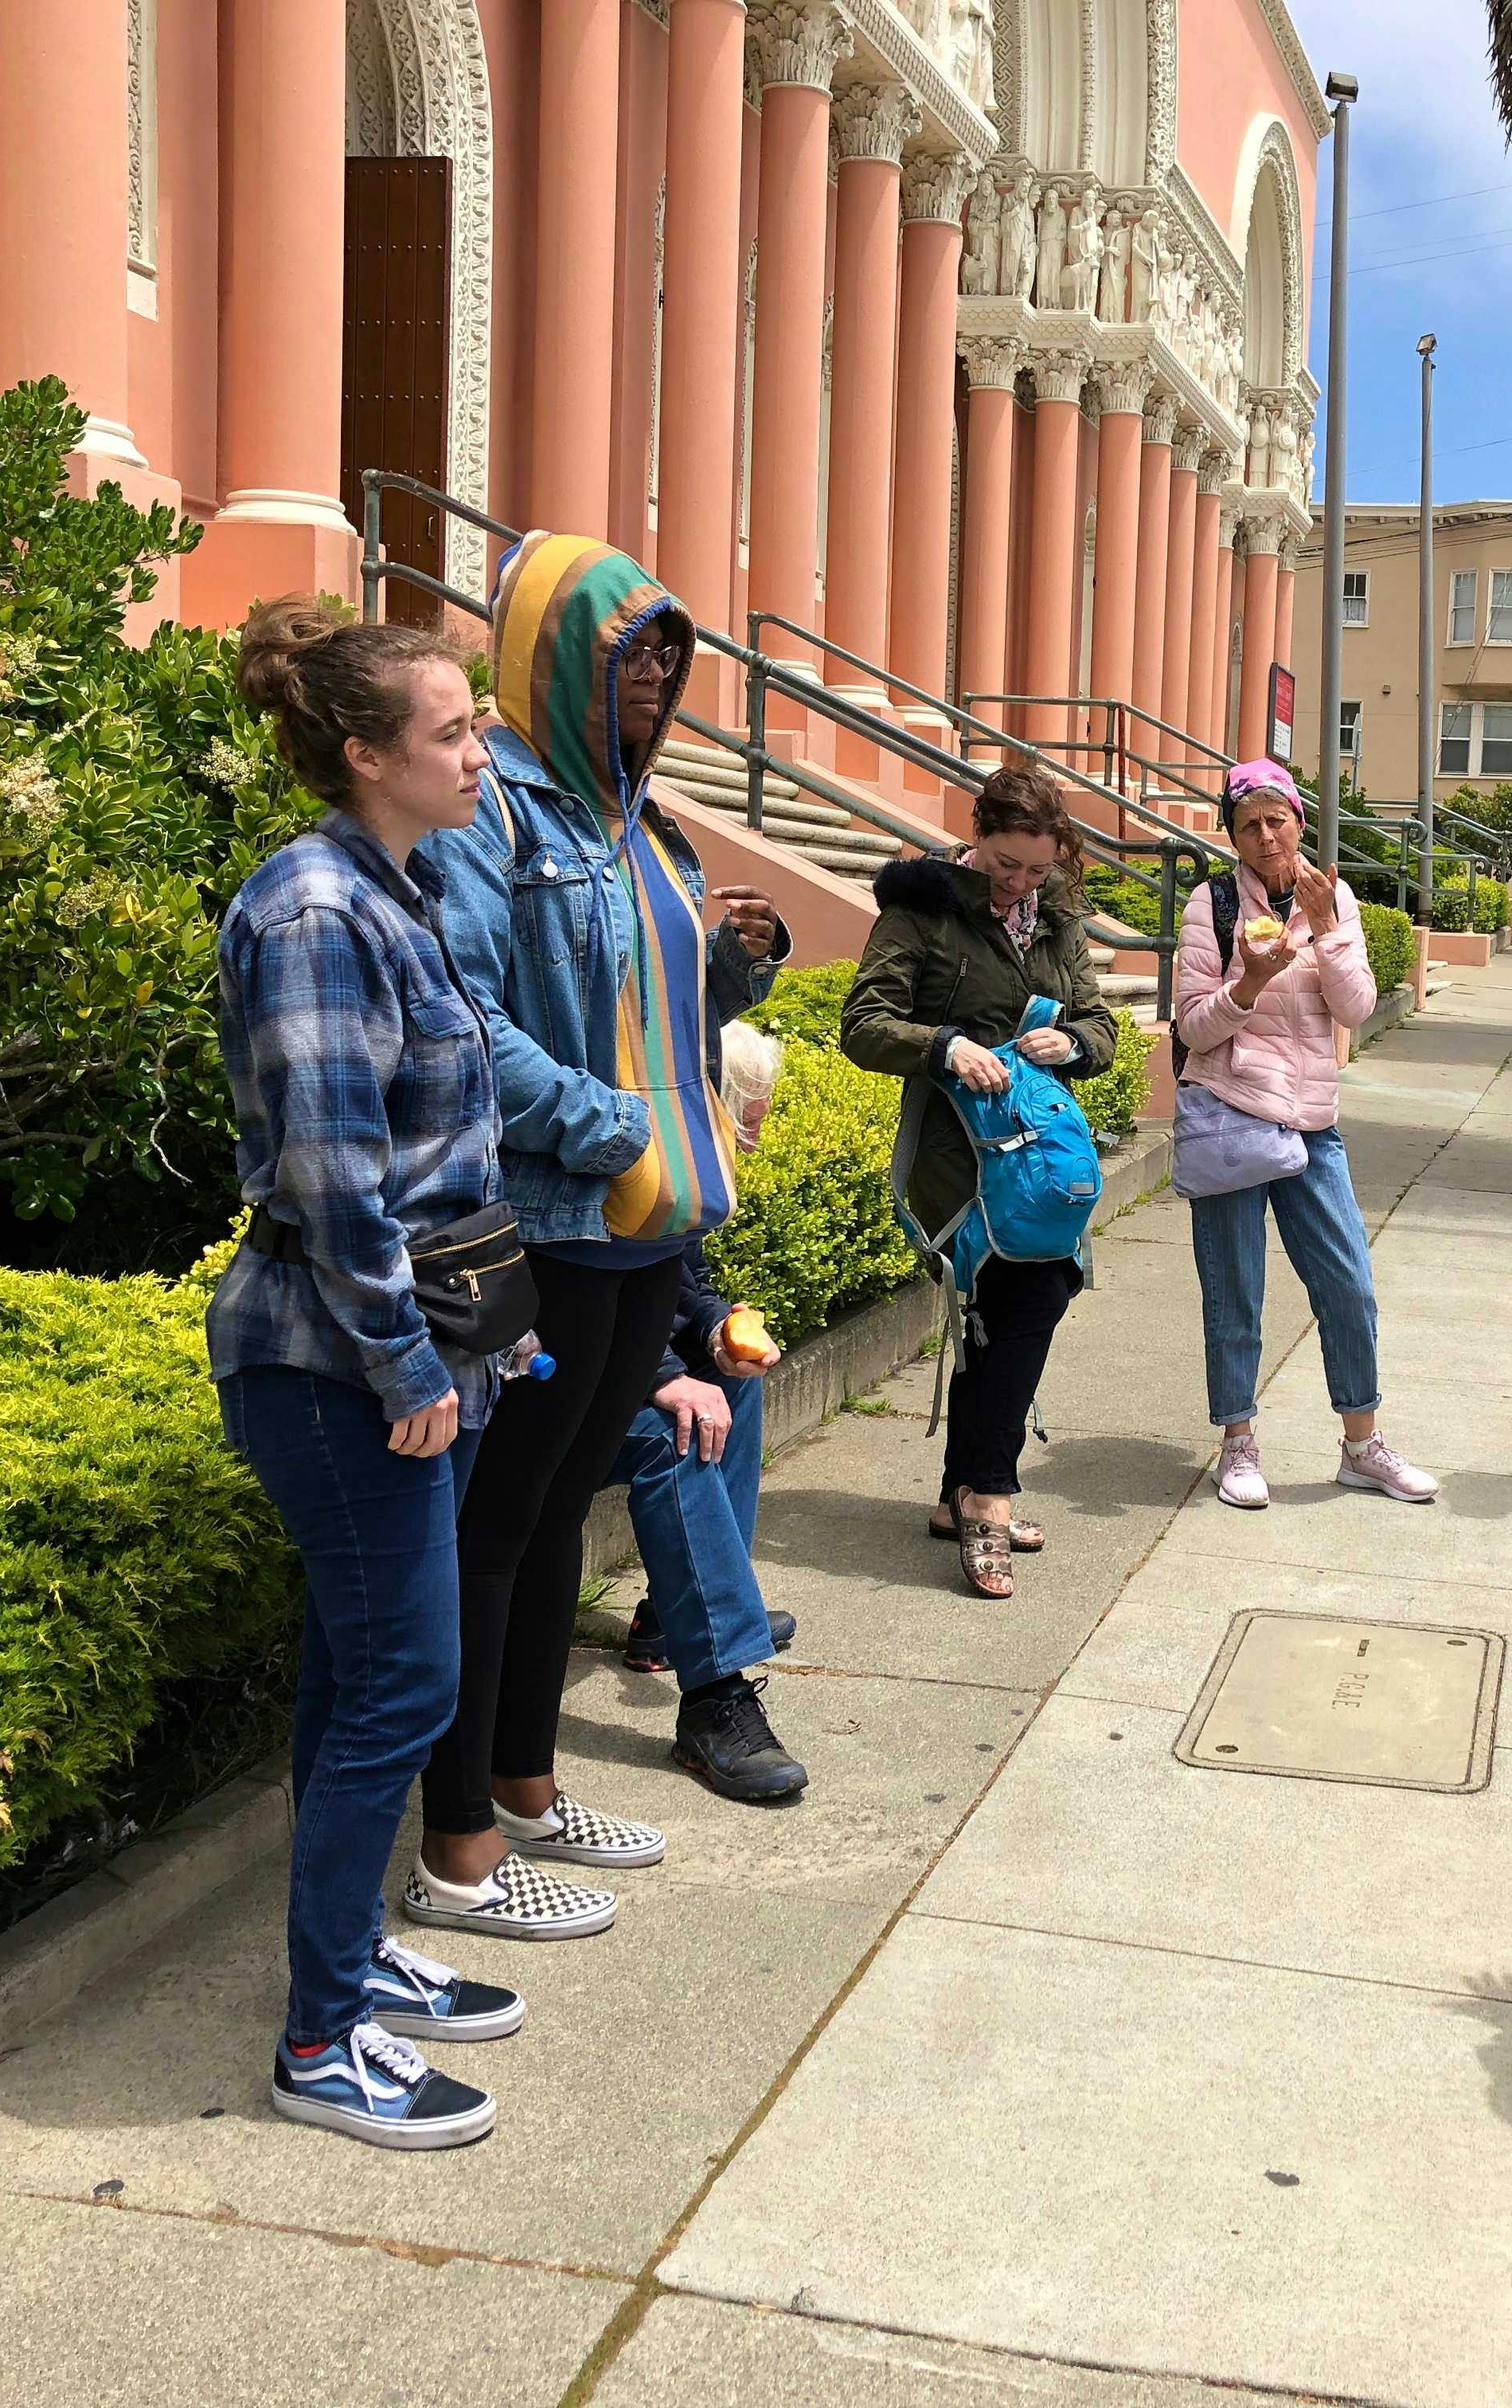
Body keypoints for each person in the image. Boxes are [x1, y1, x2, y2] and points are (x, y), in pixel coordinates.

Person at [412, 534, 787, 1942]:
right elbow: (463, 1021)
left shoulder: (637, 819)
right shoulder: (490, 807)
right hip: (556, 1213)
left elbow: (657, 1011)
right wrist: (612, 1125)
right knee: (492, 1528)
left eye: (673, 656)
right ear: (555, 653)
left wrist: (728, 961)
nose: (661, 680)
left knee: (562, 1512)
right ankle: (454, 1847)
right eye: (636, 653)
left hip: (644, 1236)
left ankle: (524, 1784)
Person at [212, 600, 524, 2152]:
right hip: (336, 1367)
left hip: (415, 1355)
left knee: (360, 1673)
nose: (483, 750)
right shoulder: (315, 915)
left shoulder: (400, 883)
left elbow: (438, 1153)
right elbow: (338, 1180)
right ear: (363, 754)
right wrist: (413, 1361)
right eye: (456, 731)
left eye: (478, 723)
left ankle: (345, 1964)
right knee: (404, 1678)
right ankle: (320, 2040)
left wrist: (485, 1339)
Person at [842, 767, 1120, 1598]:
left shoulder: (1057, 917)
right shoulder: (924, 905)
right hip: (955, 1157)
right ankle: (989, 1495)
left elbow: (1100, 1025)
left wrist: (1070, 1044)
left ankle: (956, 1489)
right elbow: (862, 1023)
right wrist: (942, 1046)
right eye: (1006, 865)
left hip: (1037, 1155)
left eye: (1038, 870)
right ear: (978, 838)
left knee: (1006, 1312)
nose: (1021, 885)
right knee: (1020, 1301)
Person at [1176, 759, 1439, 1510]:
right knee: (1235, 1293)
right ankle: (1237, 1442)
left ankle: (1362, 1446)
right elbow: (1193, 1024)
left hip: (1311, 1124)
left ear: (1299, 822)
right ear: (1232, 833)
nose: (1266, 836)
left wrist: (1326, 932)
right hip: (1230, 1111)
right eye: (1250, 824)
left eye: (1277, 820)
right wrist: (1250, 981)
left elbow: (1354, 1010)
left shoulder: (1336, 899)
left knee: (1348, 1285)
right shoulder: (1213, 902)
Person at [607, 1022, 810, 1806]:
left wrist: (718, 1328)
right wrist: (663, 1376)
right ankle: (717, 1694)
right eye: (744, 1120)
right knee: (678, 1429)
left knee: (737, 1383)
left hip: (611, 1369)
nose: (753, 1142)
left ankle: (677, 1612)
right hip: (549, 1393)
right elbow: (581, 1294)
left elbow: (676, 1284)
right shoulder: (624, 1155)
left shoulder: (681, 1164)